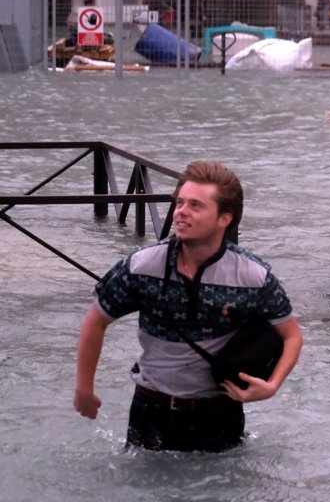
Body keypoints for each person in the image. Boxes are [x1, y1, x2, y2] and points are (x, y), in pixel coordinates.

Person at [73, 161, 303, 452]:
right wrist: (84, 388)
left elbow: (292, 335)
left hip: (220, 413)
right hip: (151, 408)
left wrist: (272, 386)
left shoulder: (252, 275)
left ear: (224, 219)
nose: (181, 211)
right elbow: (96, 319)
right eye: (180, 202)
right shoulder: (142, 265)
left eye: (195, 205)